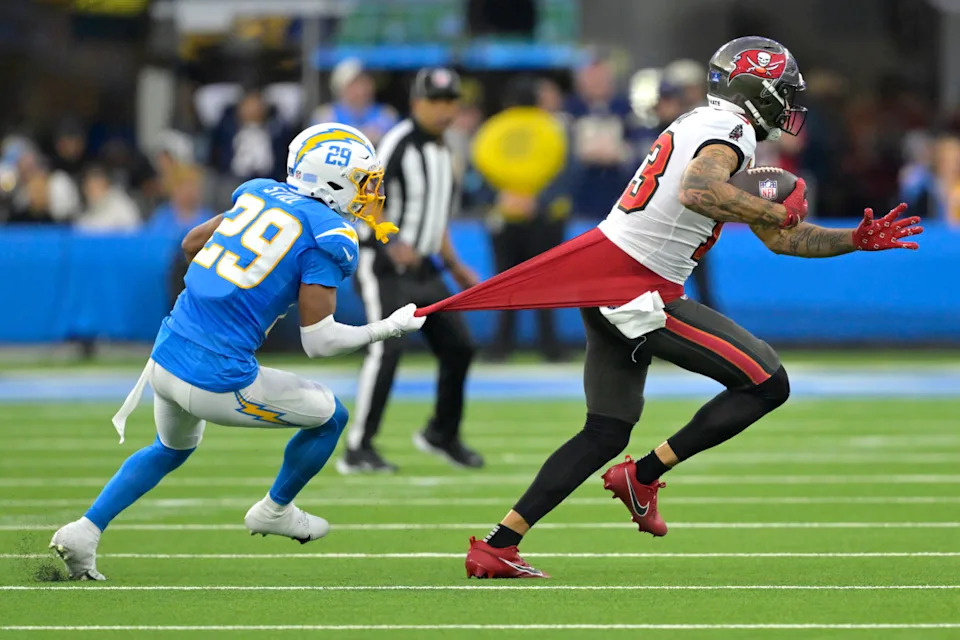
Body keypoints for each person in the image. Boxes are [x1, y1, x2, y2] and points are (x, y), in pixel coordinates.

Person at [463, 36, 924, 578]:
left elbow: (780, 239)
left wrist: (852, 239)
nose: (787, 105)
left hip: (615, 283)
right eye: (782, 93)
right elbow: (699, 191)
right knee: (766, 382)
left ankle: (498, 543)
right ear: (757, 91)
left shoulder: (704, 124)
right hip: (637, 289)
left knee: (606, 431)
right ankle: (645, 475)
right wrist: (774, 212)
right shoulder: (727, 132)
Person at [48, 123, 425, 580]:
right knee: (332, 417)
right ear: (331, 181)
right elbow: (320, 341)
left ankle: (84, 531)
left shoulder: (260, 193)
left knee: (170, 448)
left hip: (166, 355)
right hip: (218, 377)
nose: (369, 193)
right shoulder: (330, 235)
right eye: (363, 182)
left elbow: (191, 245)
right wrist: (387, 327)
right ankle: (274, 510)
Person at [338, 67, 481, 474]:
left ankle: (441, 433)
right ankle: (358, 447)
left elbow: (435, 219)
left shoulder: (444, 151)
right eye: (434, 101)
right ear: (416, 103)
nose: (442, 109)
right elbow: (363, 198)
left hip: (424, 266)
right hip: (383, 264)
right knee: (388, 347)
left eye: (449, 101)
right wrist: (389, 240)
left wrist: (454, 265)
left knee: (460, 346)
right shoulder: (398, 143)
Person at [310, 58, 399, 147]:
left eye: (364, 82)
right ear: (341, 88)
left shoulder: (387, 115)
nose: (361, 89)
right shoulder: (325, 116)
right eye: (354, 84)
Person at [75, 164, 141, 232]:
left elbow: (133, 233)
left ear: (106, 184)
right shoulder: (82, 215)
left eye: (98, 185)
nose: (94, 190)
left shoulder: (122, 206)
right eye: (90, 186)